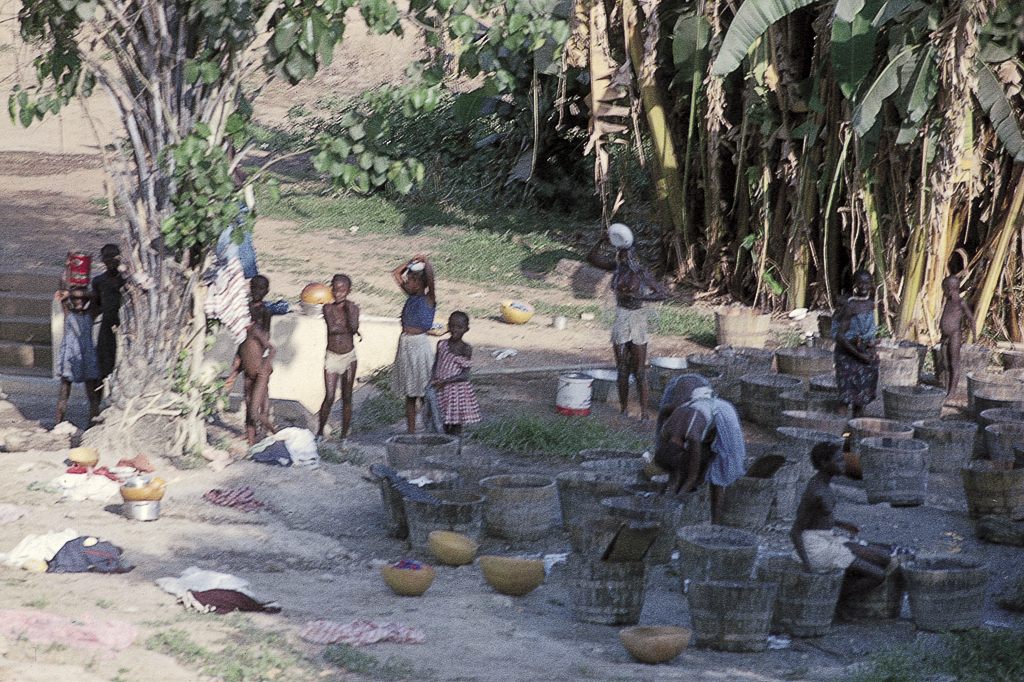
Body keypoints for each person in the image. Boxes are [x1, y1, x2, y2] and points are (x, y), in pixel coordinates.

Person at [790, 442, 912, 608]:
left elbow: (817, 517)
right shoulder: (815, 492)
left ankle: (838, 588)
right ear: (825, 464)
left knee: (883, 558)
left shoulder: (824, 484)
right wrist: (808, 567)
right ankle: (832, 598)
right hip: (815, 547)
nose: (844, 464)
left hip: (826, 539)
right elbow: (796, 531)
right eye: (839, 460)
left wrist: (842, 524)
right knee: (879, 575)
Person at [586, 226, 667, 421]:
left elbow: (662, 293)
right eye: (621, 254)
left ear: (633, 256)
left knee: (639, 371)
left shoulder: (641, 273)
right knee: (622, 369)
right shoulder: (617, 269)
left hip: (637, 319)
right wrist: (600, 241)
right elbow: (590, 259)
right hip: (621, 318)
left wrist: (640, 296)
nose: (623, 258)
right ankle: (623, 410)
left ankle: (645, 414)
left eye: (627, 254)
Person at [654, 386, 745, 524]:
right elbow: (674, 472)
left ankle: (715, 523)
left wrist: (675, 502)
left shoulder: (693, 435)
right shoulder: (665, 433)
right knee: (681, 472)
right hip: (699, 413)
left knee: (718, 475)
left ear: (682, 451)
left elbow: (692, 476)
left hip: (722, 415)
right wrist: (669, 495)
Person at [391, 255, 436, 434]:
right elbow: (396, 273)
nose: (406, 283)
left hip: (419, 345)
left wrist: (425, 262)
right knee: (410, 393)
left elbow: (431, 279)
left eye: (410, 280)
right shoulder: (411, 295)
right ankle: (411, 432)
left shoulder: (429, 299)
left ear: (419, 283)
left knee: (424, 391)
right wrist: (410, 262)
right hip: (406, 344)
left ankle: (428, 428)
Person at [317, 274, 360, 442]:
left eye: (343, 290)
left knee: (347, 396)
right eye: (336, 289)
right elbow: (333, 328)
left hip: (349, 357)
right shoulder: (328, 308)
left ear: (348, 291)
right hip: (333, 356)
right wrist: (350, 328)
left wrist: (350, 318)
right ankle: (320, 432)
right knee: (329, 396)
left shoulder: (353, 308)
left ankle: (344, 436)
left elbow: (354, 326)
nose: (339, 293)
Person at [832, 269, 879, 418]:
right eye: (860, 283)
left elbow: (868, 332)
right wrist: (859, 354)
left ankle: (855, 434)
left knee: (860, 401)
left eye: (867, 283)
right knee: (845, 399)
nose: (864, 286)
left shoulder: (871, 304)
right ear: (855, 285)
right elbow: (840, 336)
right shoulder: (850, 305)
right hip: (848, 355)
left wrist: (871, 344)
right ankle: (838, 434)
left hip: (863, 356)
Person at [54, 285, 102, 426]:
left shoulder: (91, 313)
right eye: (76, 299)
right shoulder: (68, 311)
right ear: (71, 300)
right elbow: (61, 289)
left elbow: (93, 297)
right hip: (70, 354)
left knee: (91, 393)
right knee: (64, 392)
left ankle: (92, 424)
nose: (79, 301)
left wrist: (81, 294)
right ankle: (58, 423)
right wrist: (69, 293)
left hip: (86, 354)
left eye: (82, 299)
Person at [430, 311, 481, 436]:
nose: (454, 330)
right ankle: (446, 449)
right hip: (441, 390)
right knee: (442, 423)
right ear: (447, 326)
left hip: (457, 393)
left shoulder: (465, 348)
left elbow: (465, 374)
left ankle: (456, 451)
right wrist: (432, 380)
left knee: (456, 425)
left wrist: (444, 381)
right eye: (452, 326)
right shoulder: (441, 344)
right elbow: (436, 364)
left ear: (466, 329)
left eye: (459, 327)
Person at [91, 244, 125, 393]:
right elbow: (96, 306)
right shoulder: (99, 281)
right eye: (107, 257)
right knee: (103, 365)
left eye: (114, 256)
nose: (110, 260)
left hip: (124, 326)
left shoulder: (126, 281)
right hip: (106, 327)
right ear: (102, 260)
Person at [238, 319, 277, 445]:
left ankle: (277, 433)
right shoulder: (240, 334)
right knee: (249, 408)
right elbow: (241, 354)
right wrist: (233, 376)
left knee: (254, 411)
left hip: (261, 374)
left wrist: (265, 364)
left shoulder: (253, 329)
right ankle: (251, 444)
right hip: (248, 375)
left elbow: (271, 348)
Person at [938, 275, 977, 397]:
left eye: (944, 289)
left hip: (955, 335)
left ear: (949, 288)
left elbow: (971, 319)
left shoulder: (961, 302)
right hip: (945, 337)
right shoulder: (948, 302)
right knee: (945, 363)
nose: (943, 291)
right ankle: (946, 388)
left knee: (954, 363)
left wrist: (974, 336)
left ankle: (952, 392)